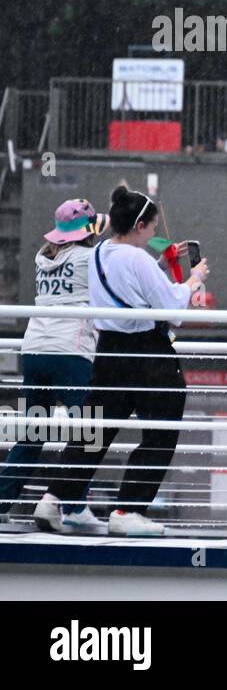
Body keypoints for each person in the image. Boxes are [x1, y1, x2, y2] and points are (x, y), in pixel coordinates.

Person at [34, 187, 208, 537]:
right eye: (153, 228)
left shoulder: (99, 253)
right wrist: (193, 280)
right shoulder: (138, 258)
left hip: (108, 351)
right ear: (140, 225)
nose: (155, 235)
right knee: (161, 428)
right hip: (147, 353)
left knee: (95, 429)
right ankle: (128, 508)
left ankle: (53, 498)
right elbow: (171, 310)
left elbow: (127, 285)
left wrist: (162, 264)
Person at [0, 200, 105, 527]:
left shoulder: (42, 257)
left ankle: (2, 502)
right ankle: (73, 508)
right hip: (70, 351)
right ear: (87, 231)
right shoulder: (91, 258)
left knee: (32, 433)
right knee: (87, 432)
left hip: (33, 351)